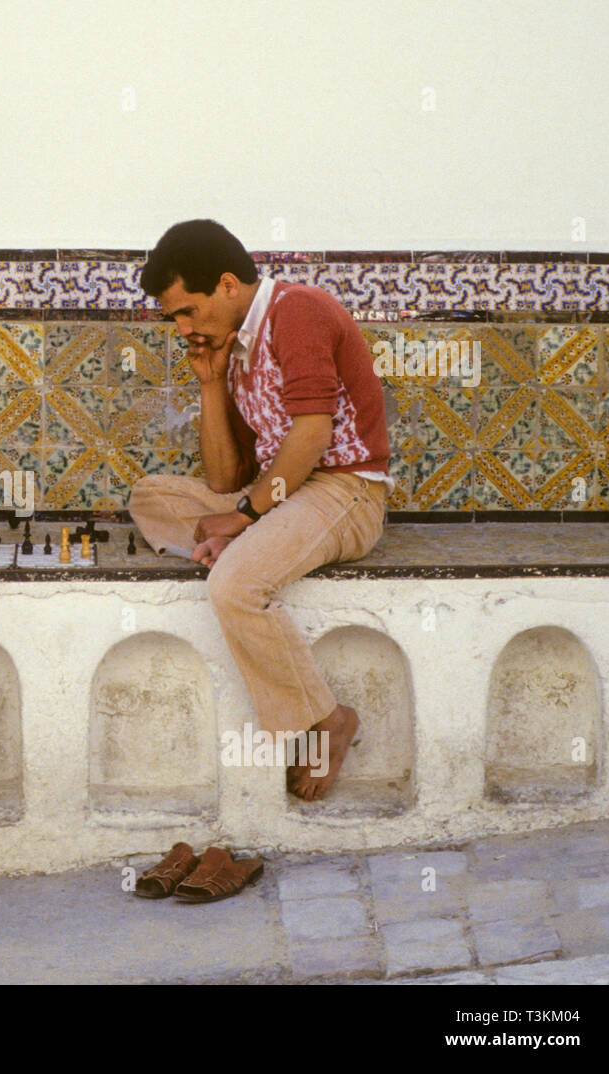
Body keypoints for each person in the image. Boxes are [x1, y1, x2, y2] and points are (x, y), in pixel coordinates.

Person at [128, 220, 390, 801]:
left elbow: (314, 434)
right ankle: (237, 547)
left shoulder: (297, 310)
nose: (184, 328)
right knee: (151, 498)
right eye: (175, 318)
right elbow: (225, 479)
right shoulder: (236, 343)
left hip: (344, 492)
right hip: (285, 495)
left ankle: (326, 719)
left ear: (226, 284)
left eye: (188, 311)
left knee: (234, 588)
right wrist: (212, 385)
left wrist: (243, 520)